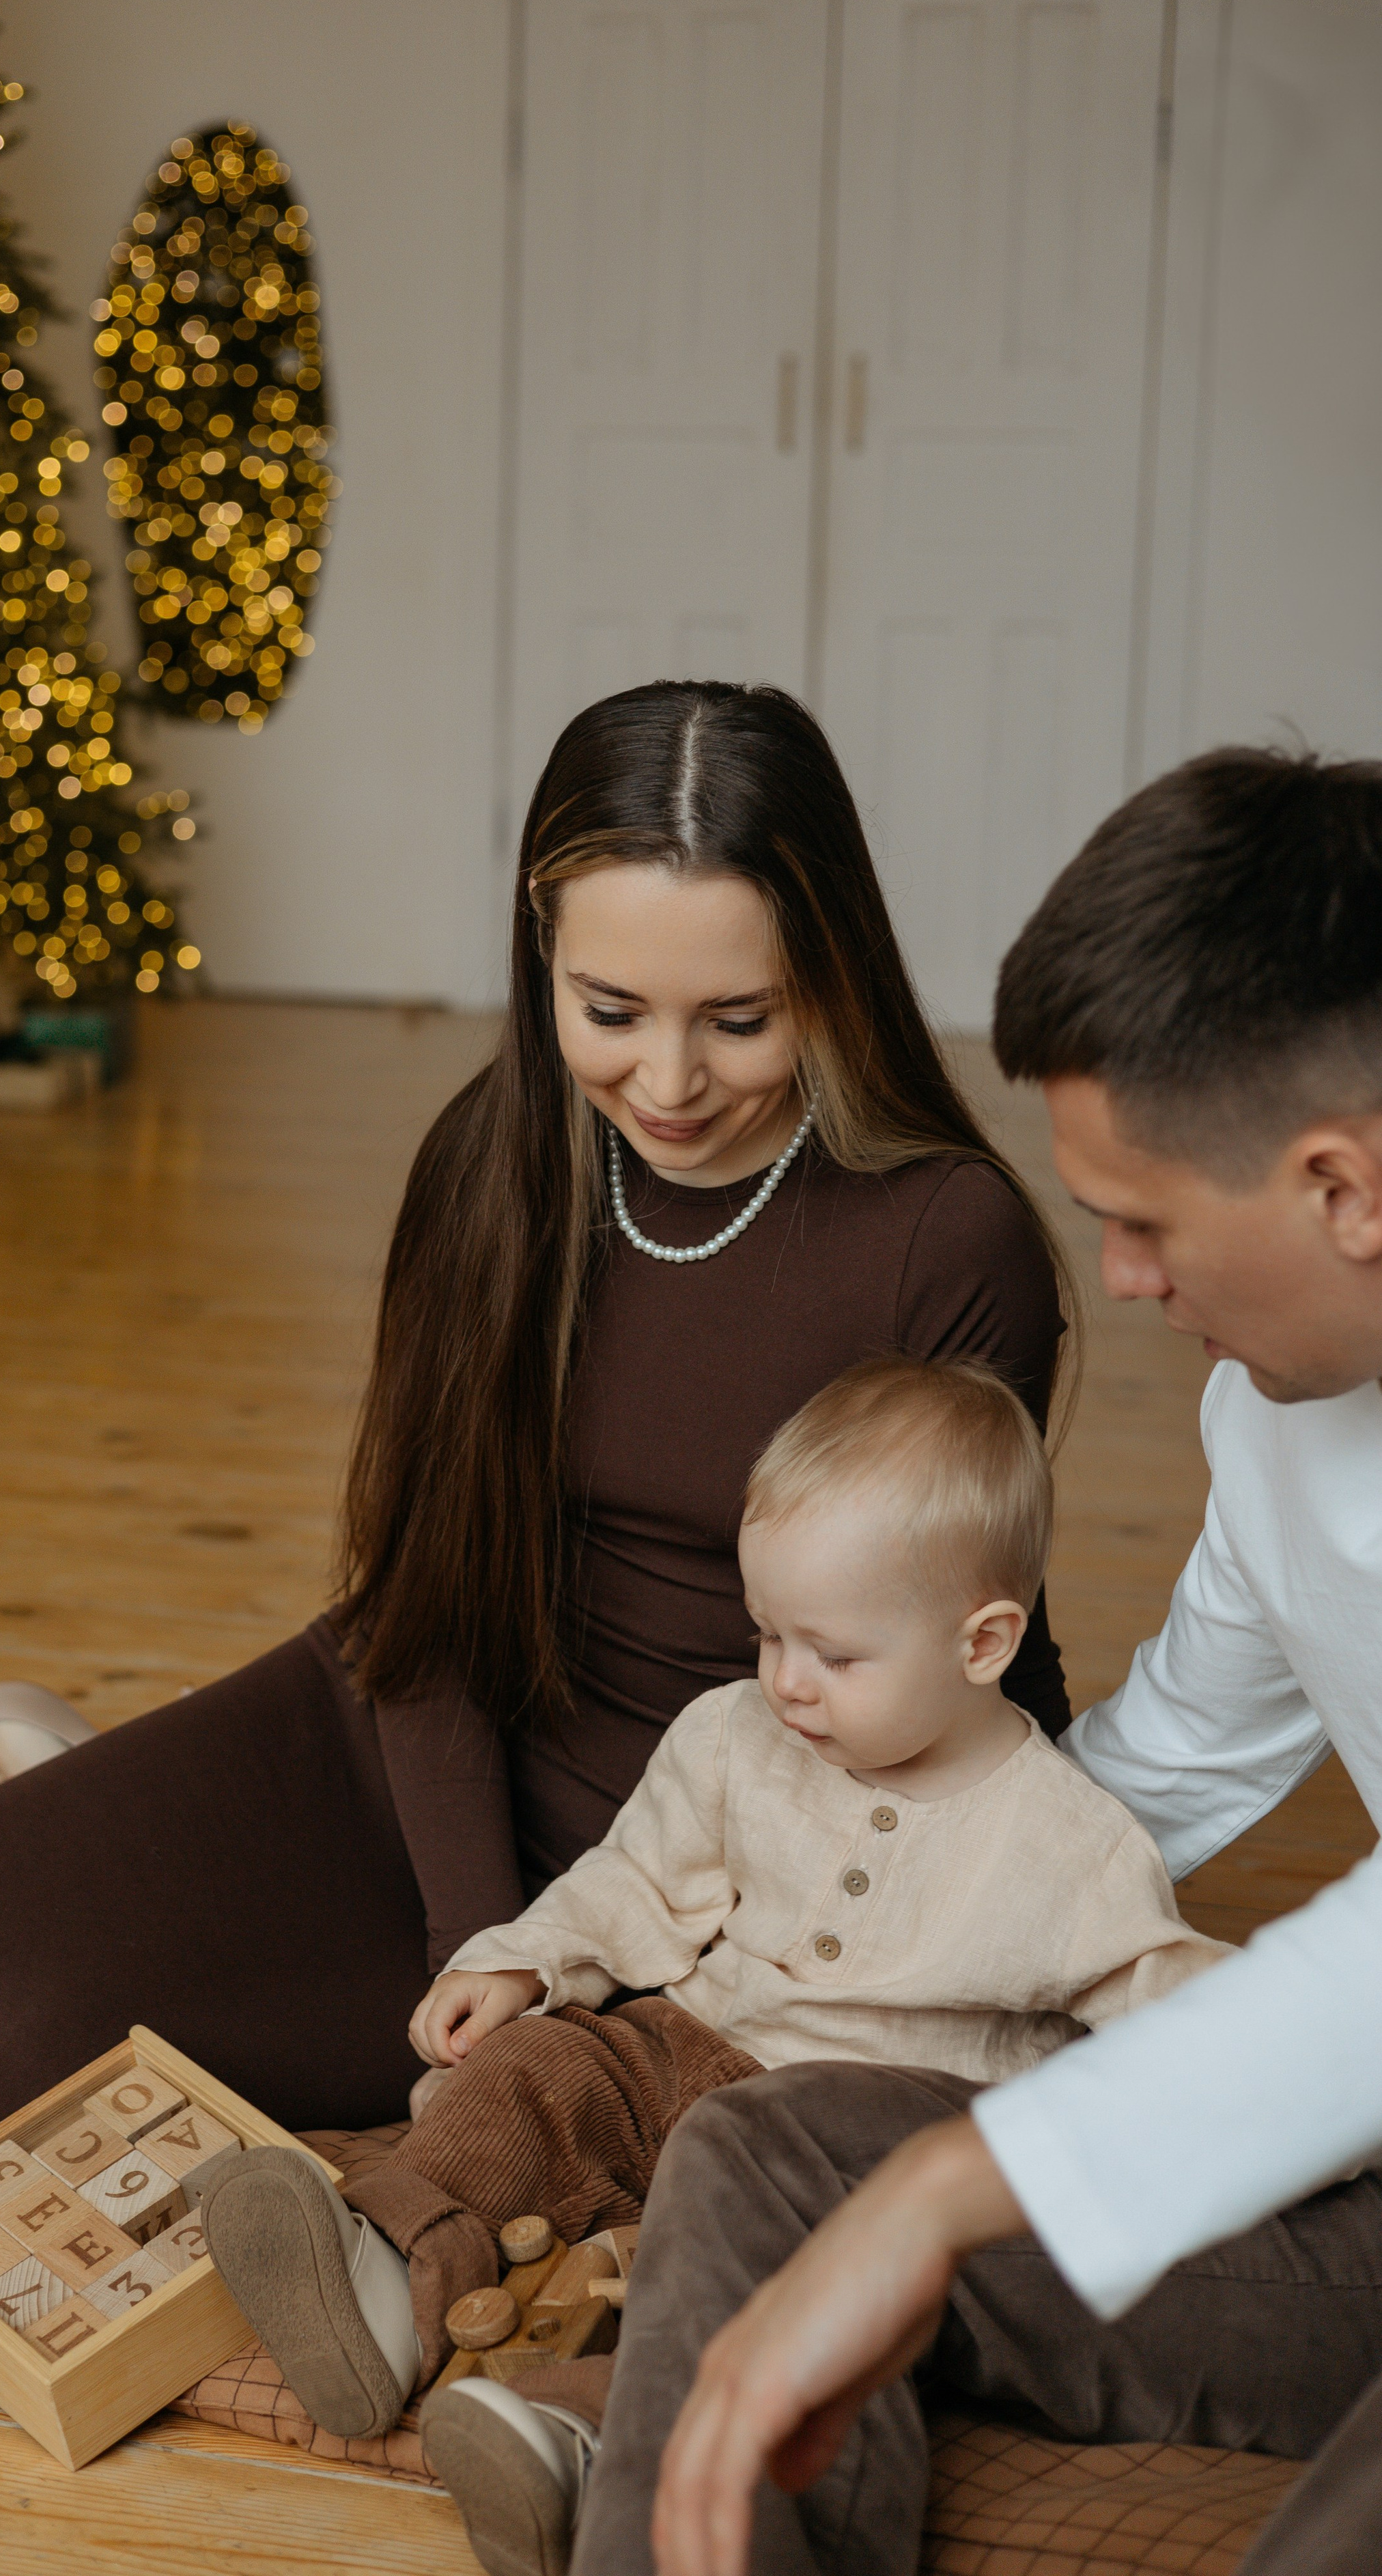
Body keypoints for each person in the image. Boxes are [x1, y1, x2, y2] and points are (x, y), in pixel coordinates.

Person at [0, 681, 1073, 2136]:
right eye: (610, 1011)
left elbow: (963, 1660)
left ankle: (46, 1773)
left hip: (712, 1870)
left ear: (829, 974)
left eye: (739, 1019)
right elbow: (428, 1612)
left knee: (40, 2069)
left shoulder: (945, 1241)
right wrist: (480, 1946)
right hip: (426, 1749)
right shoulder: (490, 1173)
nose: (670, 1080)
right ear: (541, 963)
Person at [569, 744, 1382, 2576]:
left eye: (1147, 1219)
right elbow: (1166, 1756)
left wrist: (963, 2179)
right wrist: (885, 1847)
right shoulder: (1277, 1411)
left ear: (1343, 1185)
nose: (1118, 1277)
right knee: (777, 2159)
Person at [193, 1359, 1222, 2568]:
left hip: (854, 2144)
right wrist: (527, 1965)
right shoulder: (736, 1738)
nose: (786, 1678)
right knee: (543, 2075)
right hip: (685, 2046)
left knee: (762, 2299)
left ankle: (576, 2440)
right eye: (768, 1632)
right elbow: (635, 1880)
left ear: (984, 1641)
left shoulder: (1070, 1847)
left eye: (834, 1654)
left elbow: (1172, 2003)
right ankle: (391, 2276)